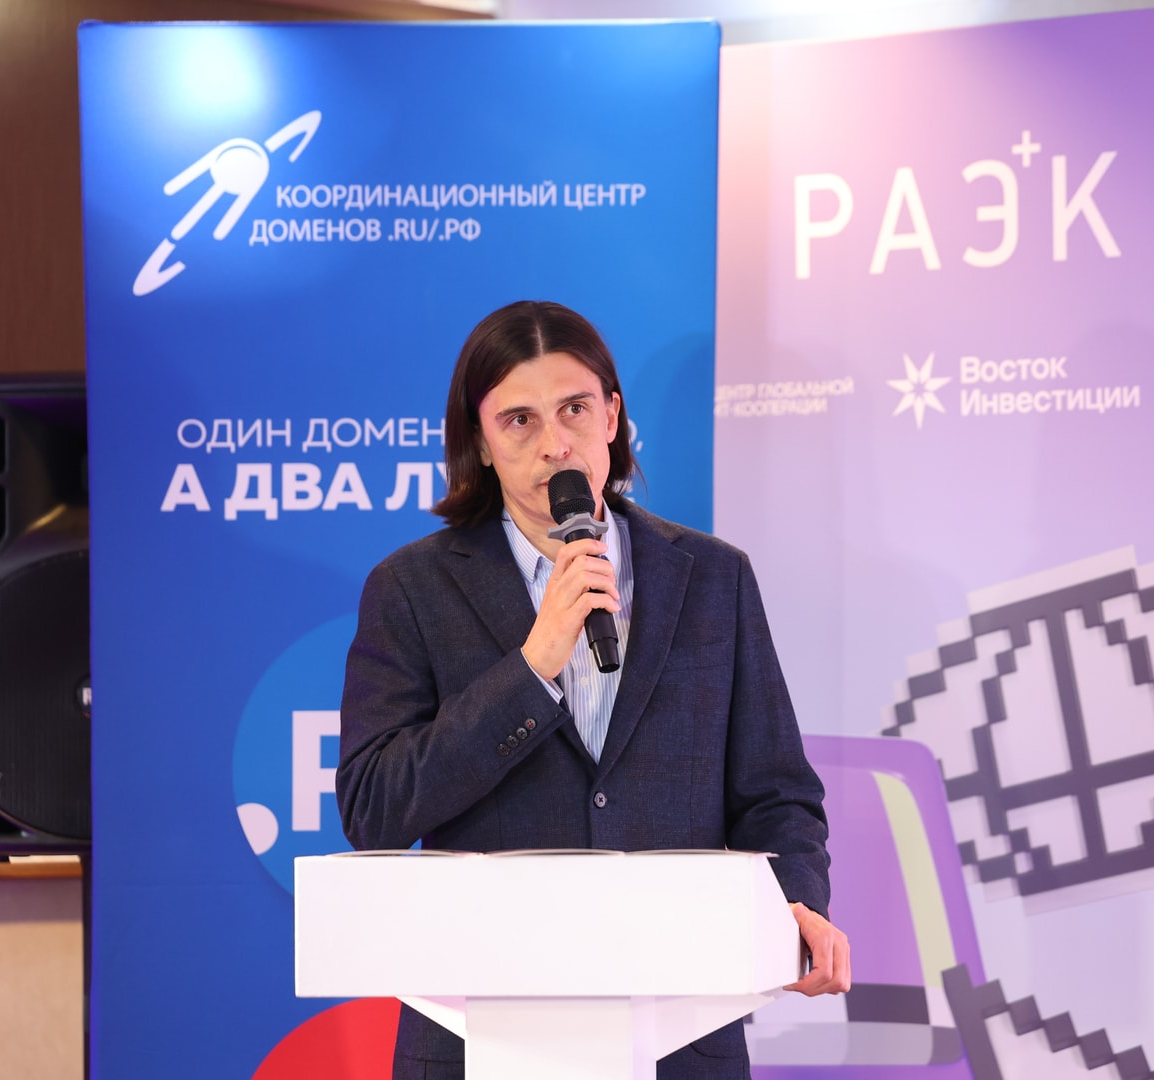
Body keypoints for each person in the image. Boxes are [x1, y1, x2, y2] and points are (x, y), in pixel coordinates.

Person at [337, 300, 850, 1080]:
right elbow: (373, 807)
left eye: (574, 409)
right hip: (480, 1034)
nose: (555, 444)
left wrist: (797, 903)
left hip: (680, 1031)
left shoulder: (714, 578)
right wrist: (531, 667)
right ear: (481, 442)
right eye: (519, 420)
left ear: (612, 415)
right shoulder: (413, 588)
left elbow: (777, 793)